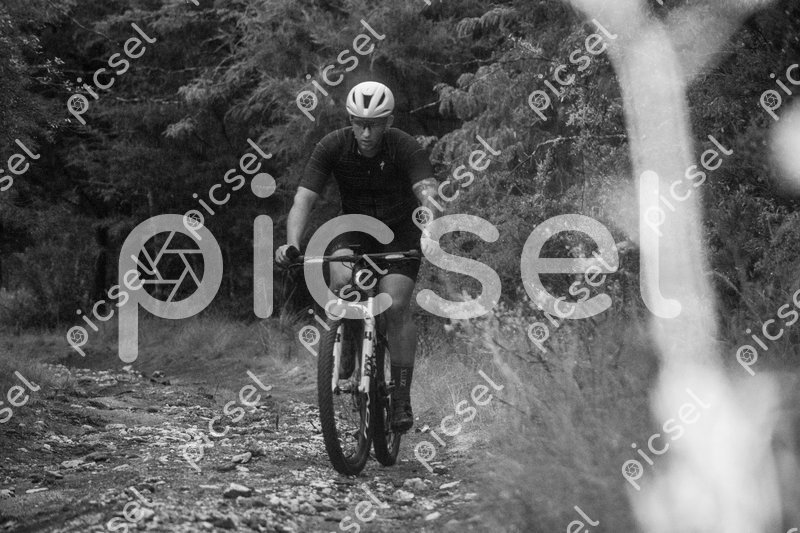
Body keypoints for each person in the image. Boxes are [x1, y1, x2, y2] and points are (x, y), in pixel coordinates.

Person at [275, 81, 438, 432]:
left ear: (388, 122)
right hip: (353, 229)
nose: (365, 133)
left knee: (395, 306)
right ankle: (348, 337)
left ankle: (401, 396)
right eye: (359, 123)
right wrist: (291, 244)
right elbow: (303, 199)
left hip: (400, 233)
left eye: (374, 125)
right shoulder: (332, 145)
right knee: (342, 282)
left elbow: (428, 194)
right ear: (350, 120)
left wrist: (430, 230)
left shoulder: (404, 146)